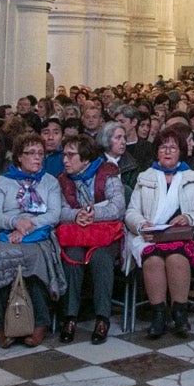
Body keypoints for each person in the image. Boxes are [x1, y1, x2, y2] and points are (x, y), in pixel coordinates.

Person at [126, 127, 194, 339]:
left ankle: (179, 313)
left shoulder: (193, 178)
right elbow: (131, 212)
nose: (167, 152)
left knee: (176, 258)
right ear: (157, 152)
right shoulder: (145, 177)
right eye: (163, 147)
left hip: (183, 238)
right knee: (153, 260)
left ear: (181, 152)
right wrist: (142, 224)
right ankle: (158, 315)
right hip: (151, 237)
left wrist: (190, 218)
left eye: (173, 148)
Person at [0, 132, 63, 348]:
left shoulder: (50, 182)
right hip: (5, 230)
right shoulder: (4, 181)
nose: (37, 158)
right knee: (0, 258)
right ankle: (0, 325)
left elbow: (53, 215)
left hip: (37, 232)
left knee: (35, 258)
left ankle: (39, 323)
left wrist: (26, 227)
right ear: (19, 157)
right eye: (31, 153)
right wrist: (15, 222)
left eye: (40, 153)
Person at [56, 135, 126, 344]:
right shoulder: (62, 180)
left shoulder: (108, 174)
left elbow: (118, 207)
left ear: (85, 159)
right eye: (64, 155)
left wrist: (92, 214)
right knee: (72, 258)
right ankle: (70, 317)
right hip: (77, 233)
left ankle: (102, 318)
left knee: (100, 259)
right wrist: (76, 215)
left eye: (71, 155)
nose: (65, 160)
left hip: (104, 235)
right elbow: (58, 210)